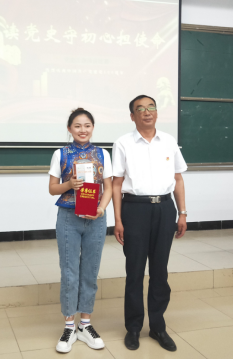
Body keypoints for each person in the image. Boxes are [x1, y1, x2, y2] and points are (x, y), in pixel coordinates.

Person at [112, 95, 188, 352]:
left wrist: (182, 213)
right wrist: (118, 219)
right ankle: (133, 328)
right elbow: (116, 184)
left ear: (156, 112)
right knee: (134, 271)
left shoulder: (169, 141)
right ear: (132, 116)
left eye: (151, 107)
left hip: (165, 208)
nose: (147, 112)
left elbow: (178, 179)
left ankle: (157, 326)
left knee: (160, 271)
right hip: (135, 209)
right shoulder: (123, 143)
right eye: (140, 109)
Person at [49, 108, 113, 353]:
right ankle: (69, 326)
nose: (82, 130)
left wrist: (101, 209)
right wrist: (69, 184)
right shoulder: (60, 154)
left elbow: (108, 187)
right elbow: (52, 189)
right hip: (68, 217)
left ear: (93, 128)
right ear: (69, 129)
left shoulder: (102, 154)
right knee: (69, 271)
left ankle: (85, 324)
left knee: (90, 270)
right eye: (77, 126)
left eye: (87, 125)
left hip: (96, 218)